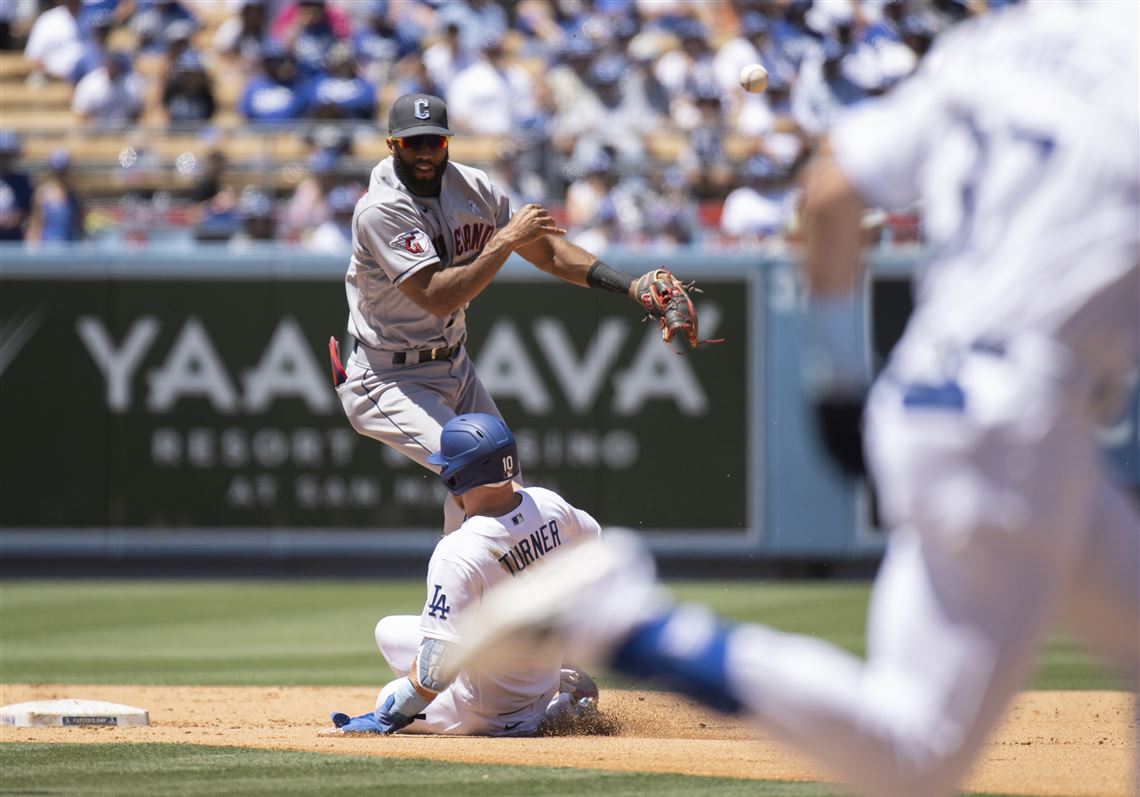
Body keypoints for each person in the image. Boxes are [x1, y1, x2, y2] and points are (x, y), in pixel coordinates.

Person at [454, 3, 1140, 796]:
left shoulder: (995, 46)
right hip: (1021, 421)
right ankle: (622, 622)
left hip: (928, 396)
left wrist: (842, 381)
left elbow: (828, 195)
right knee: (916, 750)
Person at [331, 92, 700, 534]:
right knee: (480, 471)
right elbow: (436, 295)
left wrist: (630, 285)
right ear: (392, 146)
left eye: (435, 142)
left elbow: (546, 252)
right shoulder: (382, 208)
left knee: (501, 480)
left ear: (448, 143)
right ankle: (453, 598)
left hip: (453, 363)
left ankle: (463, 599)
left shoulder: (472, 188)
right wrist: (503, 241)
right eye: (414, 144)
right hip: (388, 378)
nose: (426, 153)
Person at [326, 412, 603, 737]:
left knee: (389, 696)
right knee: (388, 631)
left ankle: (534, 718)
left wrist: (385, 718)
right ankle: (566, 692)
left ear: (455, 478)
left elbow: (432, 676)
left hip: (489, 714)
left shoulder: (459, 551)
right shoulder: (549, 503)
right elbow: (595, 551)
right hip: (540, 674)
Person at [25, 149, 85, 245]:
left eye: (63, 171)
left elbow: (81, 226)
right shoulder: (41, 194)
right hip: (46, 248)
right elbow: (36, 225)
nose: (60, 175)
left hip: (70, 249)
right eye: (57, 171)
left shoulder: (76, 196)